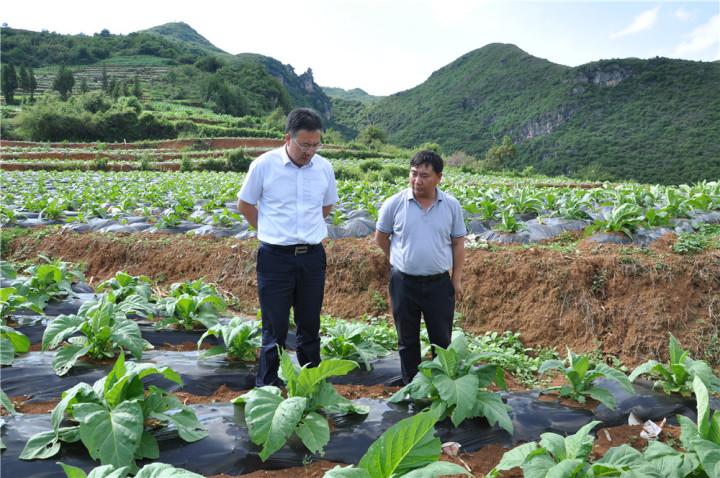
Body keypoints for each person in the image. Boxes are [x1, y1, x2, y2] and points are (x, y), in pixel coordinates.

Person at [237, 108, 338, 386]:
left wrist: (307, 229)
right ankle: (268, 386)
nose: (310, 151)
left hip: (312, 257)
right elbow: (244, 204)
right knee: (274, 327)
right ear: (287, 138)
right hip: (275, 258)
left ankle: (311, 385)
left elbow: (326, 205)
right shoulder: (264, 165)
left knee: (310, 325)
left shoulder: (324, 168)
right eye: (304, 144)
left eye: (315, 145)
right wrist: (268, 230)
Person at [375, 150, 467, 384]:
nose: (417, 181)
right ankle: (411, 386)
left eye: (424, 176)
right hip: (403, 283)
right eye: (414, 174)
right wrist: (397, 259)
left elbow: (458, 243)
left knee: (441, 339)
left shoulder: (451, 206)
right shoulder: (394, 203)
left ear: (439, 178)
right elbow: (381, 237)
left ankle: (441, 386)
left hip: (439, 283)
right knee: (407, 339)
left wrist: (456, 279)